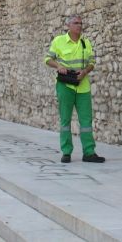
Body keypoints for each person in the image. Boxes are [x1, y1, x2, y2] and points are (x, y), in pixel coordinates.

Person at [44, 15, 105, 164]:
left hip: (83, 86)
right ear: (68, 26)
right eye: (76, 23)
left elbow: (91, 63)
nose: (79, 25)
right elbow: (48, 59)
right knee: (65, 120)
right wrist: (59, 66)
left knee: (86, 121)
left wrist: (84, 72)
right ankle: (66, 152)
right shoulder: (59, 41)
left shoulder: (86, 42)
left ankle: (89, 152)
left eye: (80, 23)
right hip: (65, 86)